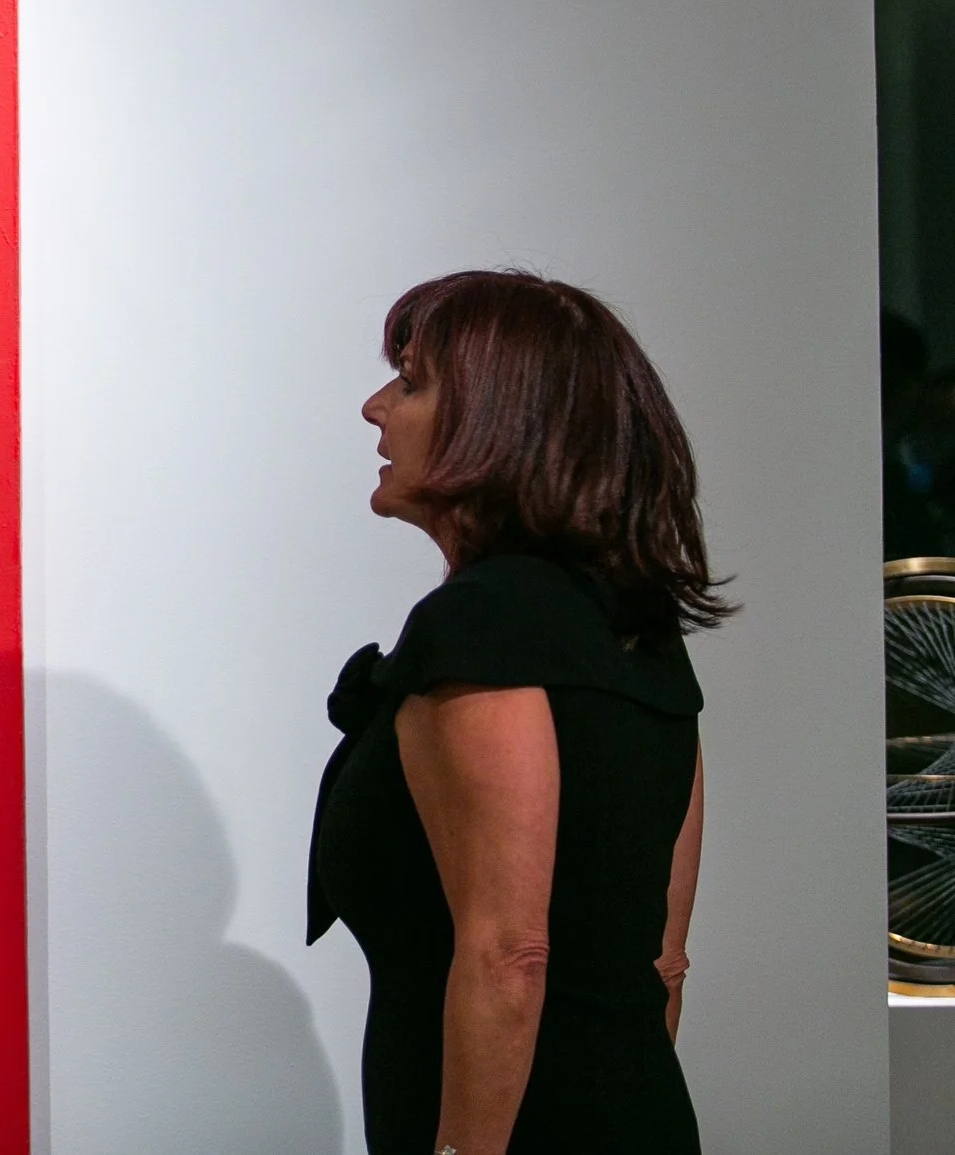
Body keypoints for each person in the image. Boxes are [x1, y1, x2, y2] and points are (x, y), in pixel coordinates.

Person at [308, 270, 727, 1154]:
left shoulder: (482, 626)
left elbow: (510, 956)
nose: (375, 408)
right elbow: (664, 962)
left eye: (410, 382)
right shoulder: (640, 634)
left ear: (497, 421)